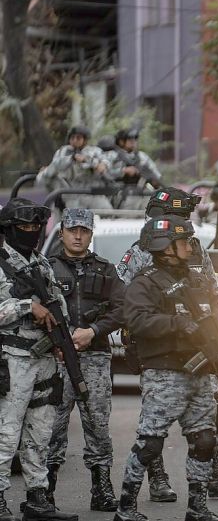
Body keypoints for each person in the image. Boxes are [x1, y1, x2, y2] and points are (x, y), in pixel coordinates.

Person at [116, 188, 218, 503]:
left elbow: (213, 290)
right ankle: (157, 480)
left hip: (200, 346)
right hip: (159, 350)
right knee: (155, 424)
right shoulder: (144, 250)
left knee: (213, 411)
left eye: (186, 218)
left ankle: (216, 473)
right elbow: (123, 299)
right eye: (177, 217)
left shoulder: (194, 248)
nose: (184, 225)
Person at [0, 198, 78, 521]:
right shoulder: (3, 264)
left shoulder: (42, 264)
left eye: (36, 227)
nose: (31, 232)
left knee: (40, 433)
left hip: (46, 359)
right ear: (10, 230)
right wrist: (26, 307)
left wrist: (64, 341)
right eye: (25, 228)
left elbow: (58, 305)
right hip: (14, 359)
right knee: (7, 434)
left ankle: (37, 498)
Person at [45, 208, 125, 512]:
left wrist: (93, 331)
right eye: (72, 230)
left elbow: (122, 308)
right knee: (51, 427)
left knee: (97, 425)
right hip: (55, 360)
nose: (78, 236)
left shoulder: (106, 269)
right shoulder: (46, 268)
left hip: (95, 358)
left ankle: (102, 488)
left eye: (84, 231)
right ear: (62, 231)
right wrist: (51, 342)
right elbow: (34, 309)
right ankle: (45, 490)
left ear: (91, 234)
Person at [36, 126, 114, 210]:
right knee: (74, 217)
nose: (74, 140)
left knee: (108, 211)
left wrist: (88, 161)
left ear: (85, 139)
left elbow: (105, 165)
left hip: (92, 193)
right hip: (70, 194)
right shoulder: (63, 151)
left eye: (78, 138)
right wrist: (72, 158)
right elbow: (56, 165)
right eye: (72, 138)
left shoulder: (95, 151)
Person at [105, 129, 163, 209]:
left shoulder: (142, 156)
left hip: (140, 191)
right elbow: (104, 173)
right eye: (129, 139)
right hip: (119, 192)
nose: (133, 141)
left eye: (135, 139)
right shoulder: (112, 155)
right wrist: (123, 171)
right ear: (121, 141)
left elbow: (156, 175)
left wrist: (153, 180)